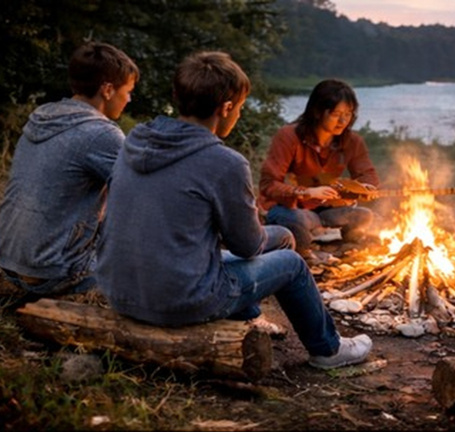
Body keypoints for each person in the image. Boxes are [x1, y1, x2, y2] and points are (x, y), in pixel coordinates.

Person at [95, 51, 372, 370]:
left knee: (280, 235)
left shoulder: (135, 141)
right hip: (177, 300)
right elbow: (246, 245)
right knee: (292, 263)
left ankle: (251, 319)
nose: (238, 114)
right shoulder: (224, 163)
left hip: (118, 291)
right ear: (226, 108)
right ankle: (328, 349)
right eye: (239, 108)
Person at [0, 42, 140, 296]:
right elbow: (145, 197)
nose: (129, 99)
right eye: (128, 91)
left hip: (8, 261)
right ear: (108, 90)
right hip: (53, 273)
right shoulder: (101, 133)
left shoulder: (42, 116)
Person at [258, 79, 380, 263]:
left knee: (364, 215)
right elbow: (268, 185)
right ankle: (306, 249)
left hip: (326, 211)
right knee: (296, 220)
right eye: (336, 114)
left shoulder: (351, 141)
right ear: (317, 111)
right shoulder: (289, 137)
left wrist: (363, 187)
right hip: (290, 209)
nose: (342, 121)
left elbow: (368, 175)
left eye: (348, 114)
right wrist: (305, 192)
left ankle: (334, 241)